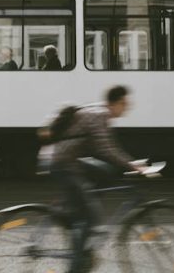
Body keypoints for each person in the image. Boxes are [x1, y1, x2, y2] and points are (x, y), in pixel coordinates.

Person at [50, 85, 146, 273]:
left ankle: (74, 206)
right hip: (64, 164)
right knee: (90, 218)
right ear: (116, 102)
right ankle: (76, 266)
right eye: (125, 104)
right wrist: (132, 165)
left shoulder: (99, 112)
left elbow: (97, 149)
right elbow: (106, 150)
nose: (127, 108)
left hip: (68, 160)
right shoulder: (100, 115)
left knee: (104, 172)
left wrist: (128, 163)